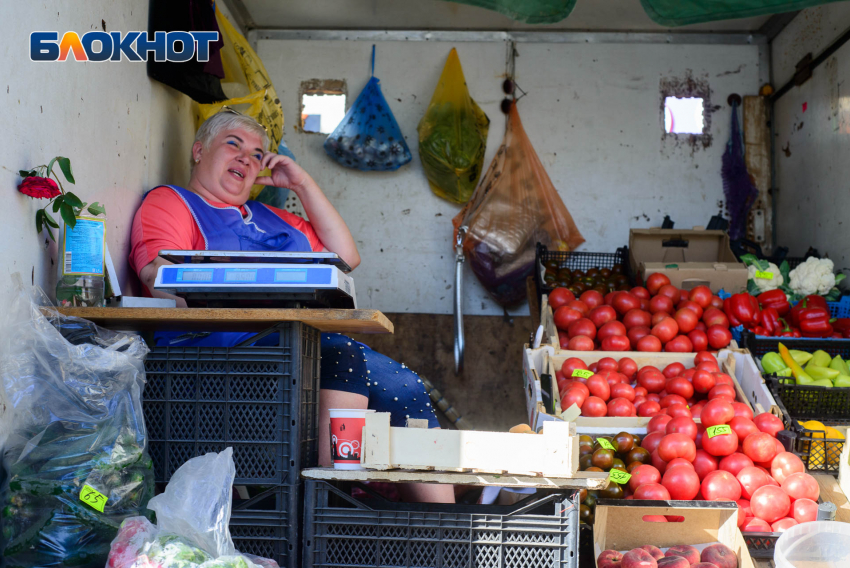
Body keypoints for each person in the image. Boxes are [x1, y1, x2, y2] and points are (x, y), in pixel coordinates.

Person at [130, 110, 453, 503]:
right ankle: (327, 509)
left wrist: (301, 182)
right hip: (214, 359)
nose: (246, 158)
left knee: (405, 385)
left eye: (257, 153)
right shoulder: (173, 201)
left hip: (295, 348)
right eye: (233, 144)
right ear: (199, 151)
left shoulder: (274, 218)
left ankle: (441, 531)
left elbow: (345, 258)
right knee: (340, 357)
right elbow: (157, 276)